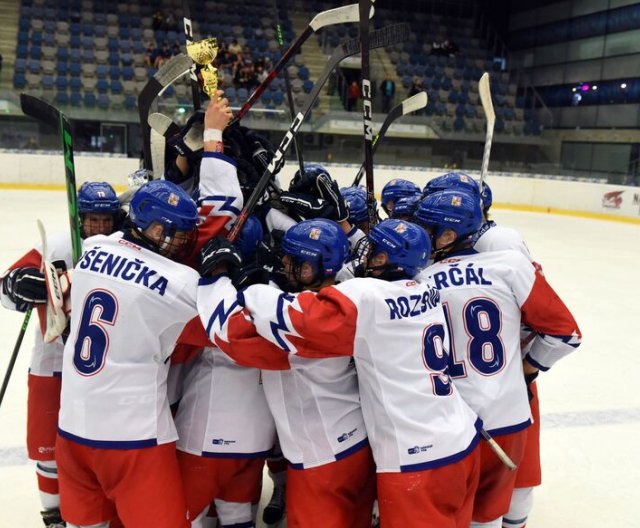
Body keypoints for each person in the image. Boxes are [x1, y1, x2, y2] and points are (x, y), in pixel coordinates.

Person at [198, 217, 484, 528]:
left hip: (380, 458)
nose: (363, 255)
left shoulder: (359, 304)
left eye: (374, 253)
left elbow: (235, 332)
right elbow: (342, 283)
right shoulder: (422, 285)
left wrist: (226, 281)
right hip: (454, 437)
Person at [413, 189, 582, 527]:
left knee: (446, 512)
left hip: (448, 420)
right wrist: (526, 370)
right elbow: (566, 334)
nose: (421, 236)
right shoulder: (510, 265)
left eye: (427, 229)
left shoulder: (417, 282)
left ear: (448, 234)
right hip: (507, 417)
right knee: (488, 514)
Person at [198, 219, 376, 528]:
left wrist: (218, 278)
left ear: (317, 266)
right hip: (358, 446)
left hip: (321, 459)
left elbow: (229, 334)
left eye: (296, 260)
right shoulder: (347, 296)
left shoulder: (301, 325)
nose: (284, 262)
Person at [0, 182, 122, 528]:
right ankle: (53, 513)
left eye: (105, 220)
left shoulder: (125, 251)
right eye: (91, 220)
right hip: (52, 362)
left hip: (101, 368)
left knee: (97, 450)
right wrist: (17, 286)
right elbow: (6, 285)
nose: (99, 228)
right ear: (78, 218)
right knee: (46, 447)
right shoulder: (56, 245)